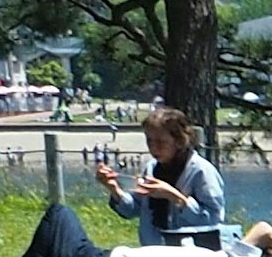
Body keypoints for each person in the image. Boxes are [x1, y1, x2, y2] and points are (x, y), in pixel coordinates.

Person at [92, 104, 227, 248]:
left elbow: (213, 221)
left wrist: (175, 197)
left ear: (179, 141)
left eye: (161, 142)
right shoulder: (152, 168)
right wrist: (114, 189)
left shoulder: (201, 171)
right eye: (149, 140)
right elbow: (133, 209)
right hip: (154, 252)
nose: (153, 147)